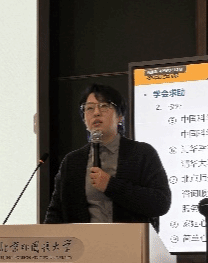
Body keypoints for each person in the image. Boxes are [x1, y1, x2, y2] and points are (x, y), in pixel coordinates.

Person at [44, 83, 171, 230]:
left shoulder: (142, 153)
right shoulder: (72, 161)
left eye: (104, 106)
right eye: (89, 108)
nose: (96, 113)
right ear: (84, 119)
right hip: (85, 242)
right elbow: (56, 213)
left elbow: (161, 203)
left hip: (129, 241)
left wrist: (111, 185)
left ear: (120, 116)